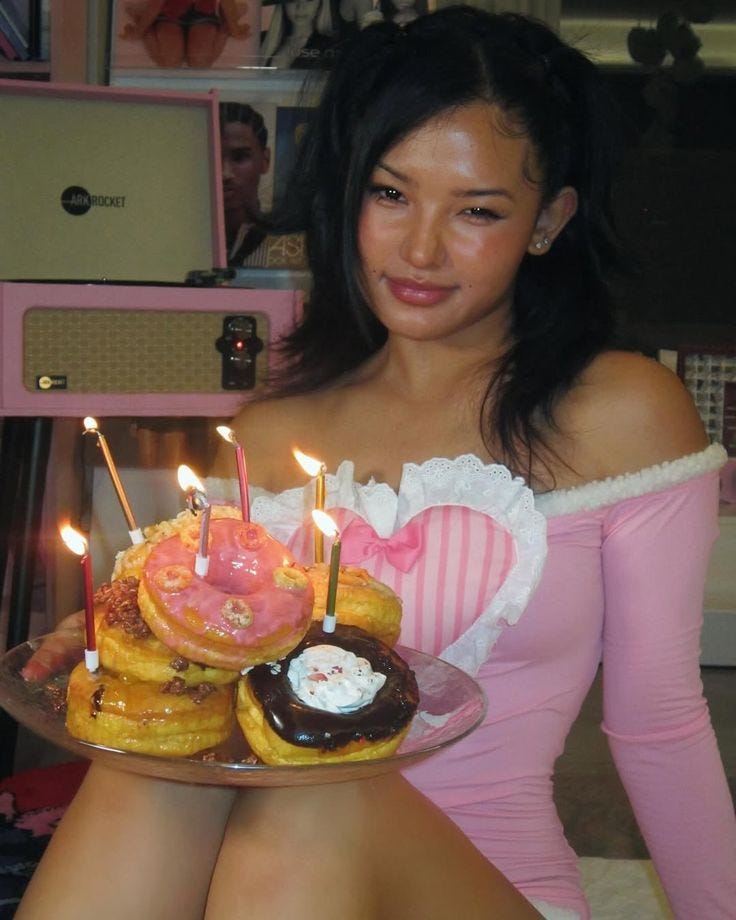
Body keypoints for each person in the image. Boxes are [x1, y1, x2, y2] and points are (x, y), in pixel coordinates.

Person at [17, 8, 736, 919]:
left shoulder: (621, 413)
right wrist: (148, 647)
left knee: (320, 797)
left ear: (548, 220)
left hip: (488, 887)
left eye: (476, 210)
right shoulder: (272, 432)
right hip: (266, 890)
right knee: (147, 771)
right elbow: (223, 711)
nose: (421, 249)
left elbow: (658, 723)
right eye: (392, 194)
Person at [120, 0, 251, 69]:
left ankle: (225, 25)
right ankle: (142, 16)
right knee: (169, 62)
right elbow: (156, 3)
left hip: (204, 12)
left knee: (200, 62)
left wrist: (233, 28)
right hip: (169, 11)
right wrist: (140, 30)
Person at [220, 101, 273, 263]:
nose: (225, 173)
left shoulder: (286, 244)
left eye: (240, 157)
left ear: (265, 160)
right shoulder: (178, 238)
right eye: (212, 157)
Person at [260, 0, 336, 69]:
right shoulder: (262, 40)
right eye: (293, 0)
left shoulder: (330, 46)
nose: (300, 7)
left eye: (309, 0)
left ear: (321, 3)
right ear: (282, 4)